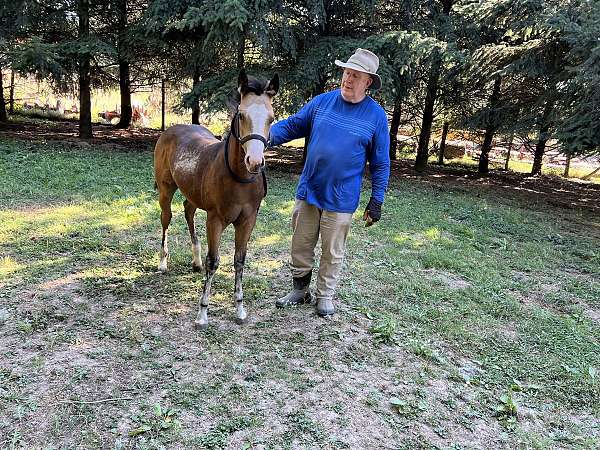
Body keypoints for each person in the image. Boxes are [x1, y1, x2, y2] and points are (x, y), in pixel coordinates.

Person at [269, 48, 391, 317]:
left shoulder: (376, 116)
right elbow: (291, 126)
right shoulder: (322, 102)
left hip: (341, 197)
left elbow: (381, 163)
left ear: (368, 82)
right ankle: (300, 290)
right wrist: (263, 136)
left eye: (355, 75)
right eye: (347, 72)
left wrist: (377, 199)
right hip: (309, 188)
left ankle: (325, 295)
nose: (348, 79)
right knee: (300, 244)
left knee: (332, 250)